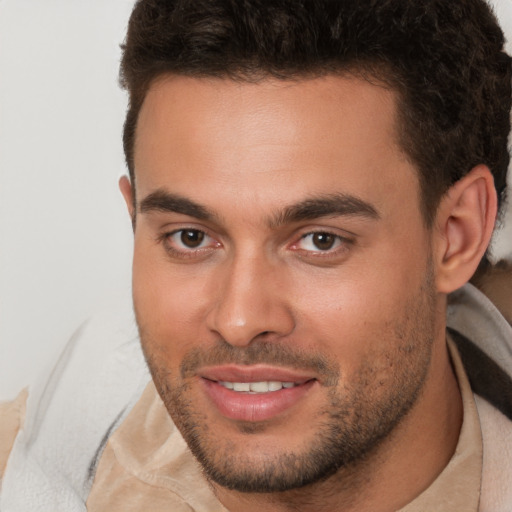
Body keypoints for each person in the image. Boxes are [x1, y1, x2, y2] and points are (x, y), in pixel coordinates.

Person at [1, 0, 511, 510]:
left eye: (320, 241)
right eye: (191, 237)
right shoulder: (39, 447)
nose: (239, 320)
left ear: (455, 235)